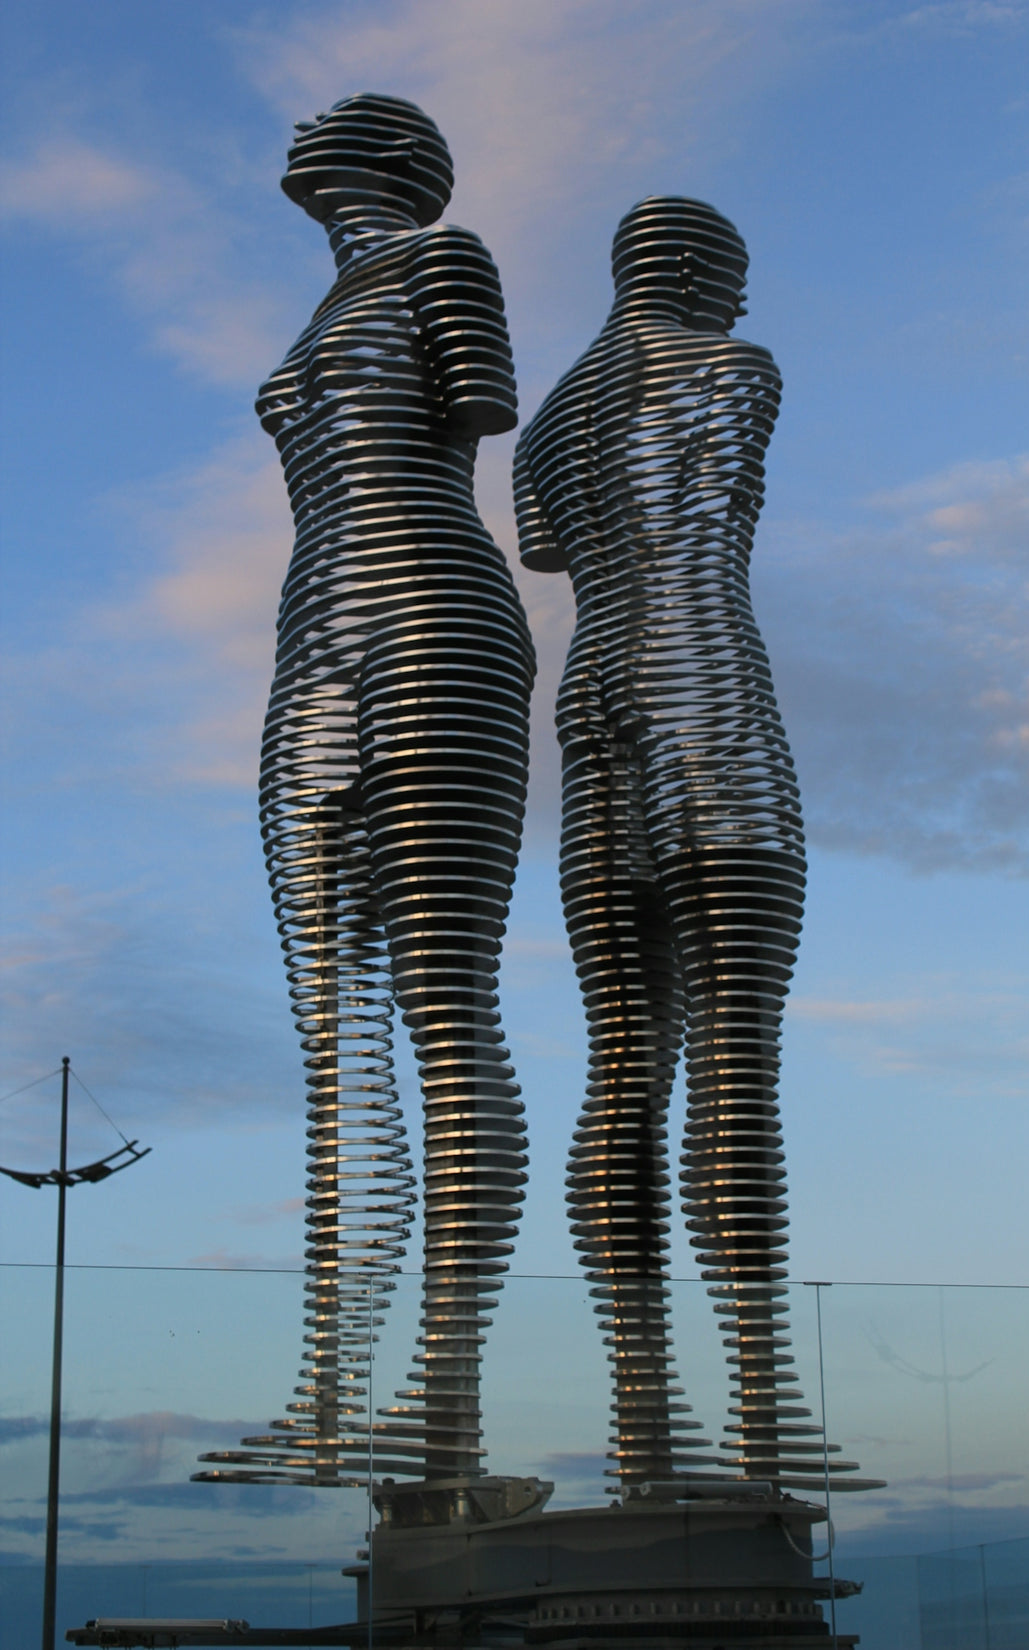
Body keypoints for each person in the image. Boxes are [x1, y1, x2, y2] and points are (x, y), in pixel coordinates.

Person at [515, 196, 857, 1493]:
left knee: (620, 1059)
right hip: (708, 693)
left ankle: (646, 1422)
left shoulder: (544, 417)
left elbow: (546, 548)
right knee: (734, 1044)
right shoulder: (734, 369)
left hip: (592, 699)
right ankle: (765, 1407)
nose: (746, 307)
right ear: (707, 270)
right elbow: (723, 518)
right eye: (738, 278)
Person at [243, 95, 533, 1485]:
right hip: (311, 641)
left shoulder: (444, 257)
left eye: (338, 115)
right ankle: (325, 1387)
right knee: (331, 1034)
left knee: (438, 999)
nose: (305, 121)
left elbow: (486, 413)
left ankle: (444, 1398)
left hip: (432, 617)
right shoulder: (323, 309)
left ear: (402, 159)